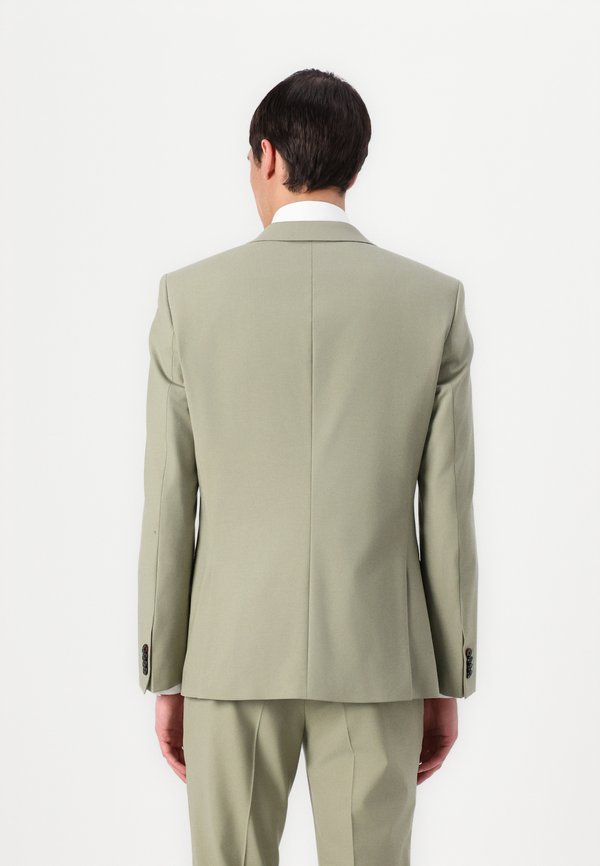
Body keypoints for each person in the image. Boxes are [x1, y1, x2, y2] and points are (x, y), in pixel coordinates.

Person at [137, 67, 478, 866]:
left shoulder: (189, 299)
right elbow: (448, 511)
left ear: (267, 155)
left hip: (229, 655)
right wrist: (446, 673)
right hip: (380, 658)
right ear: (356, 165)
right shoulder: (433, 301)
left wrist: (166, 667)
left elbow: (168, 502)